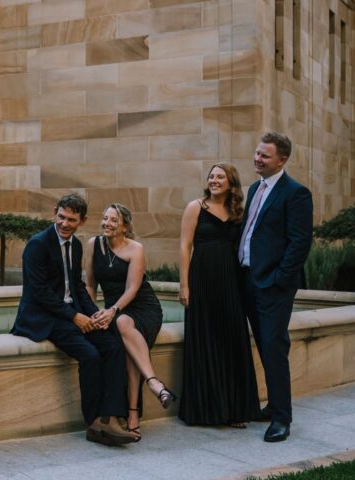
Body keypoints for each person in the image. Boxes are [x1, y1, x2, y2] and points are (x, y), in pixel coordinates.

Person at [11, 193, 135, 446]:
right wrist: (75, 316)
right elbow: (40, 292)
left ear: (82, 221)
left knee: (112, 346)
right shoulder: (37, 244)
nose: (64, 223)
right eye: (61, 217)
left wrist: (94, 314)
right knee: (89, 355)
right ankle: (93, 423)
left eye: (71, 220)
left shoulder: (76, 245)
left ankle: (110, 416)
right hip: (44, 316)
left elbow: (77, 286)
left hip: (70, 313)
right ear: (54, 213)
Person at [239, 133, 313, 442]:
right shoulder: (254, 188)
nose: (257, 159)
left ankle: (282, 418)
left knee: (274, 346)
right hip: (247, 280)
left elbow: (300, 242)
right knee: (264, 345)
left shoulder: (296, 193)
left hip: (272, 286)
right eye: (257, 153)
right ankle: (271, 406)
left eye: (264, 156)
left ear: (282, 160)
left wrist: (278, 280)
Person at [177, 163, 261, 428]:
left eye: (220, 177)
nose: (214, 180)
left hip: (231, 282)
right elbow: (184, 246)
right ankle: (206, 411)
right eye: (211, 176)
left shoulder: (237, 212)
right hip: (201, 280)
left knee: (232, 340)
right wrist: (184, 285)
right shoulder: (195, 207)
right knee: (205, 339)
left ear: (230, 182)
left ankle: (234, 409)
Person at [84, 204, 171, 442]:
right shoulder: (93, 245)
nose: (107, 223)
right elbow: (90, 284)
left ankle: (145, 393)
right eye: (105, 218)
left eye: (114, 220)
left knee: (123, 325)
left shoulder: (136, 249)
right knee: (125, 336)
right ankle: (147, 394)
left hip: (142, 307)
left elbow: (132, 289)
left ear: (125, 226)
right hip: (115, 311)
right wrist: (93, 313)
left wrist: (112, 311)